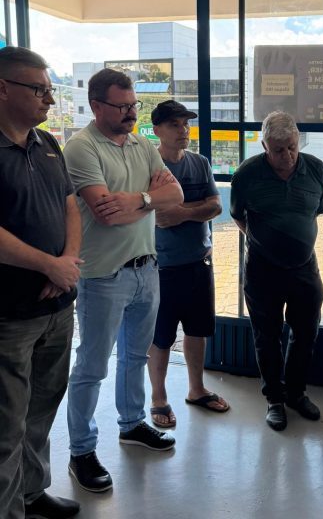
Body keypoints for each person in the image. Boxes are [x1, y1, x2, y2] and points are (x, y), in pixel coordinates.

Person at [63, 69, 183, 493]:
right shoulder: (81, 148)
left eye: (134, 105)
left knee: (135, 357)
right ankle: (81, 451)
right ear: (96, 106)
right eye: (122, 106)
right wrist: (151, 201)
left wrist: (138, 199)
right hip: (103, 276)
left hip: (146, 269)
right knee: (92, 367)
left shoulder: (140, 144)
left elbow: (176, 196)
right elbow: (104, 214)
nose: (132, 113)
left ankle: (132, 424)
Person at [0, 47, 81, 518]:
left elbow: (69, 205)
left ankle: (31, 493)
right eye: (39, 90)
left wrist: (65, 263)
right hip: (9, 316)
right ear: (3, 88)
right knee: (5, 425)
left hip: (57, 306)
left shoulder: (47, 143)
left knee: (42, 409)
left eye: (50, 90)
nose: (50, 99)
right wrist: (48, 265)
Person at [230, 111, 323, 431]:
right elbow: (238, 216)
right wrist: (264, 242)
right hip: (262, 270)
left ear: (299, 142)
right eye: (278, 150)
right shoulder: (247, 174)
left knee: (306, 334)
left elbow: (316, 212)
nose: (287, 156)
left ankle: (296, 393)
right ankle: (274, 399)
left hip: (305, 268)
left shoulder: (316, 169)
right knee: (267, 337)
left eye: (292, 147)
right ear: (264, 147)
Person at [147, 100, 229, 428]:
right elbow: (152, 216)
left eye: (186, 124)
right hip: (160, 267)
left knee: (197, 331)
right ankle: (158, 398)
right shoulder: (148, 167)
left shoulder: (199, 163)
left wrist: (182, 213)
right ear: (156, 130)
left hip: (199, 262)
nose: (183, 130)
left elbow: (215, 207)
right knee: (161, 337)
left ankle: (197, 389)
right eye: (174, 124)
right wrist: (196, 209)